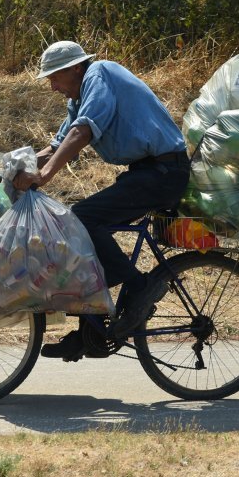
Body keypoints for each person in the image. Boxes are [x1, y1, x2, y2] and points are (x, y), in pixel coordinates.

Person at [12, 40, 191, 360]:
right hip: (146, 173)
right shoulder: (79, 98)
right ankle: (91, 333)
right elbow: (56, 147)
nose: (52, 86)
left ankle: (138, 287)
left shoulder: (99, 75)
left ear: (76, 68)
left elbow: (82, 134)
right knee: (81, 244)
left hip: (165, 172)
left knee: (81, 218)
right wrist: (10, 169)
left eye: (54, 77)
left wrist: (45, 175)